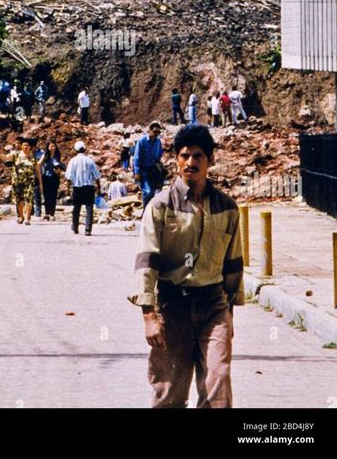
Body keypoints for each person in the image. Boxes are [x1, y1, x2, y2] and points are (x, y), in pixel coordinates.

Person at [129, 123, 244, 408]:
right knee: (169, 394)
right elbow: (147, 260)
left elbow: (233, 263)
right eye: (184, 156)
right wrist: (149, 316)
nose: (191, 162)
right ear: (176, 160)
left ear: (210, 161)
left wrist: (228, 315)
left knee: (218, 387)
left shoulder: (227, 208)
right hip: (172, 307)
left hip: (213, 307)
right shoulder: (160, 206)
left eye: (198, 156)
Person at [65, 141, 101, 236]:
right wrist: (99, 187)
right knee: (89, 208)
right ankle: (88, 229)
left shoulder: (72, 161)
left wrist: (68, 190)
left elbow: (68, 177)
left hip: (77, 188)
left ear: (75, 150)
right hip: (89, 187)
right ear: (85, 149)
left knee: (76, 208)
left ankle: (75, 227)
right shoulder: (90, 161)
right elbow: (97, 176)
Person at [12, 137, 43, 226]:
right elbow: (7, 158)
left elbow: (37, 170)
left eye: (27, 145)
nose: (25, 147)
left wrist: (40, 184)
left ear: (29, 147)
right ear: (21, 146)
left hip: (29, 181)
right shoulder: (16, 155)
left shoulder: (33, 157)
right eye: (24, 145)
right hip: (18, 182)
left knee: (29, 199)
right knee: (19, 200)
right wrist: (0, 156)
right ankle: (21, 216)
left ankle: (27, 218)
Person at [133, 122, 164, 209]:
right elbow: (137, 157)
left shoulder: (158, 141)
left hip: (153, 168)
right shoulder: (142, 141)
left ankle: (150, 210)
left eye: (158, 132)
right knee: (148, 191)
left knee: (155, 191)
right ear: (149, 131)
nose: (156, 134)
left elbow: (160, 152)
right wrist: (137, 172)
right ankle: (145, 210)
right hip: (143, 169)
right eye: (155, 132)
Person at [39, 139, 65, 220]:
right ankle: (47, 213)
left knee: (53, 196)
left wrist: (59, 170)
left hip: (55, 178)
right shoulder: (45, 155)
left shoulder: (57, 156)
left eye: (54, 146)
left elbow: (61, 166)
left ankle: (52, 213)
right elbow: (39, 164)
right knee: (46, 196)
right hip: (46, 177)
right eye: (51, 146)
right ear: (48, 147)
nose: (52, 148)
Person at [29, 138, 45, 217]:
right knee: (29, 194)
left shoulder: (42, 153)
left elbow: (40, 164)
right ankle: (30, 211)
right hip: (29, 176)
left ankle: (38, 212)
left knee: (37, 194)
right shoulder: (28, 153)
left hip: (38, 175)